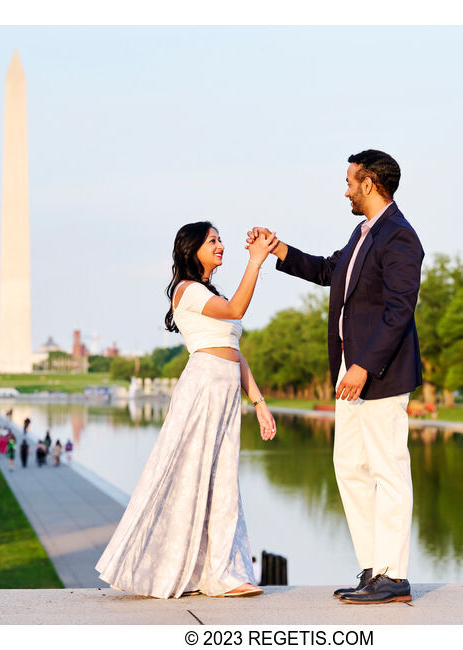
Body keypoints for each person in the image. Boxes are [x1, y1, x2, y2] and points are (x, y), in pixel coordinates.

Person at [248, 150, 423, 604]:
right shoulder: (362, 233)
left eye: (349, 181)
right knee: (349, 467)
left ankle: (394, 576)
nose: (344, 189)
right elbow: (330, 271)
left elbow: (400, 311)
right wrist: (278, 249)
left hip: (378, 372)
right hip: (351, 372)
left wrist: (365, 365)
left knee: (388, 469)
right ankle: (373, 570)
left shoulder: (400, 237)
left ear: (369, 183)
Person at [96, 221, 278, 599]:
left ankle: (218, 574)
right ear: (191, 248)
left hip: (225, 388)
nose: (221, 245)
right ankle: (182, 570)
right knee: (185, 476)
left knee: (222, 480)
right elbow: (236, 308)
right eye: (213, 241)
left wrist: (259, 403)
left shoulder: (208, 292)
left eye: (220, 240)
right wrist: (256, 262)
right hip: (203, 387)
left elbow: (236, 354)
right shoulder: (188, 290)